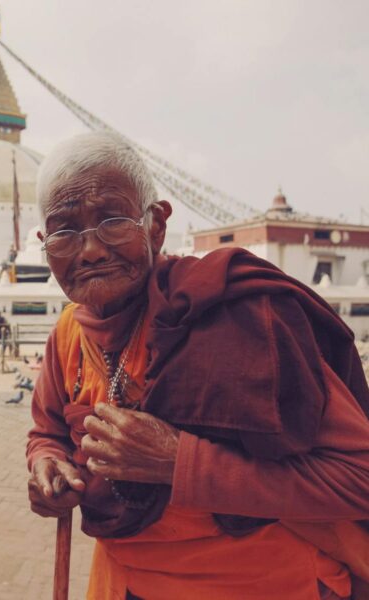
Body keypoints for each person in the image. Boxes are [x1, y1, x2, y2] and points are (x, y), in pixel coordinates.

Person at [26, 132, 369, 600]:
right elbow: (46, 433)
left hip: (265, 584)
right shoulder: (67, 335)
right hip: (125, 582)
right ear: (45, 245)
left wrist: (179, 462)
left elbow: (359, 478)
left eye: (112, 220)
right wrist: (49, 466)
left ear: (156, 226)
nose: (89, 250)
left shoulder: (236, 315)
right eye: (65, 231)